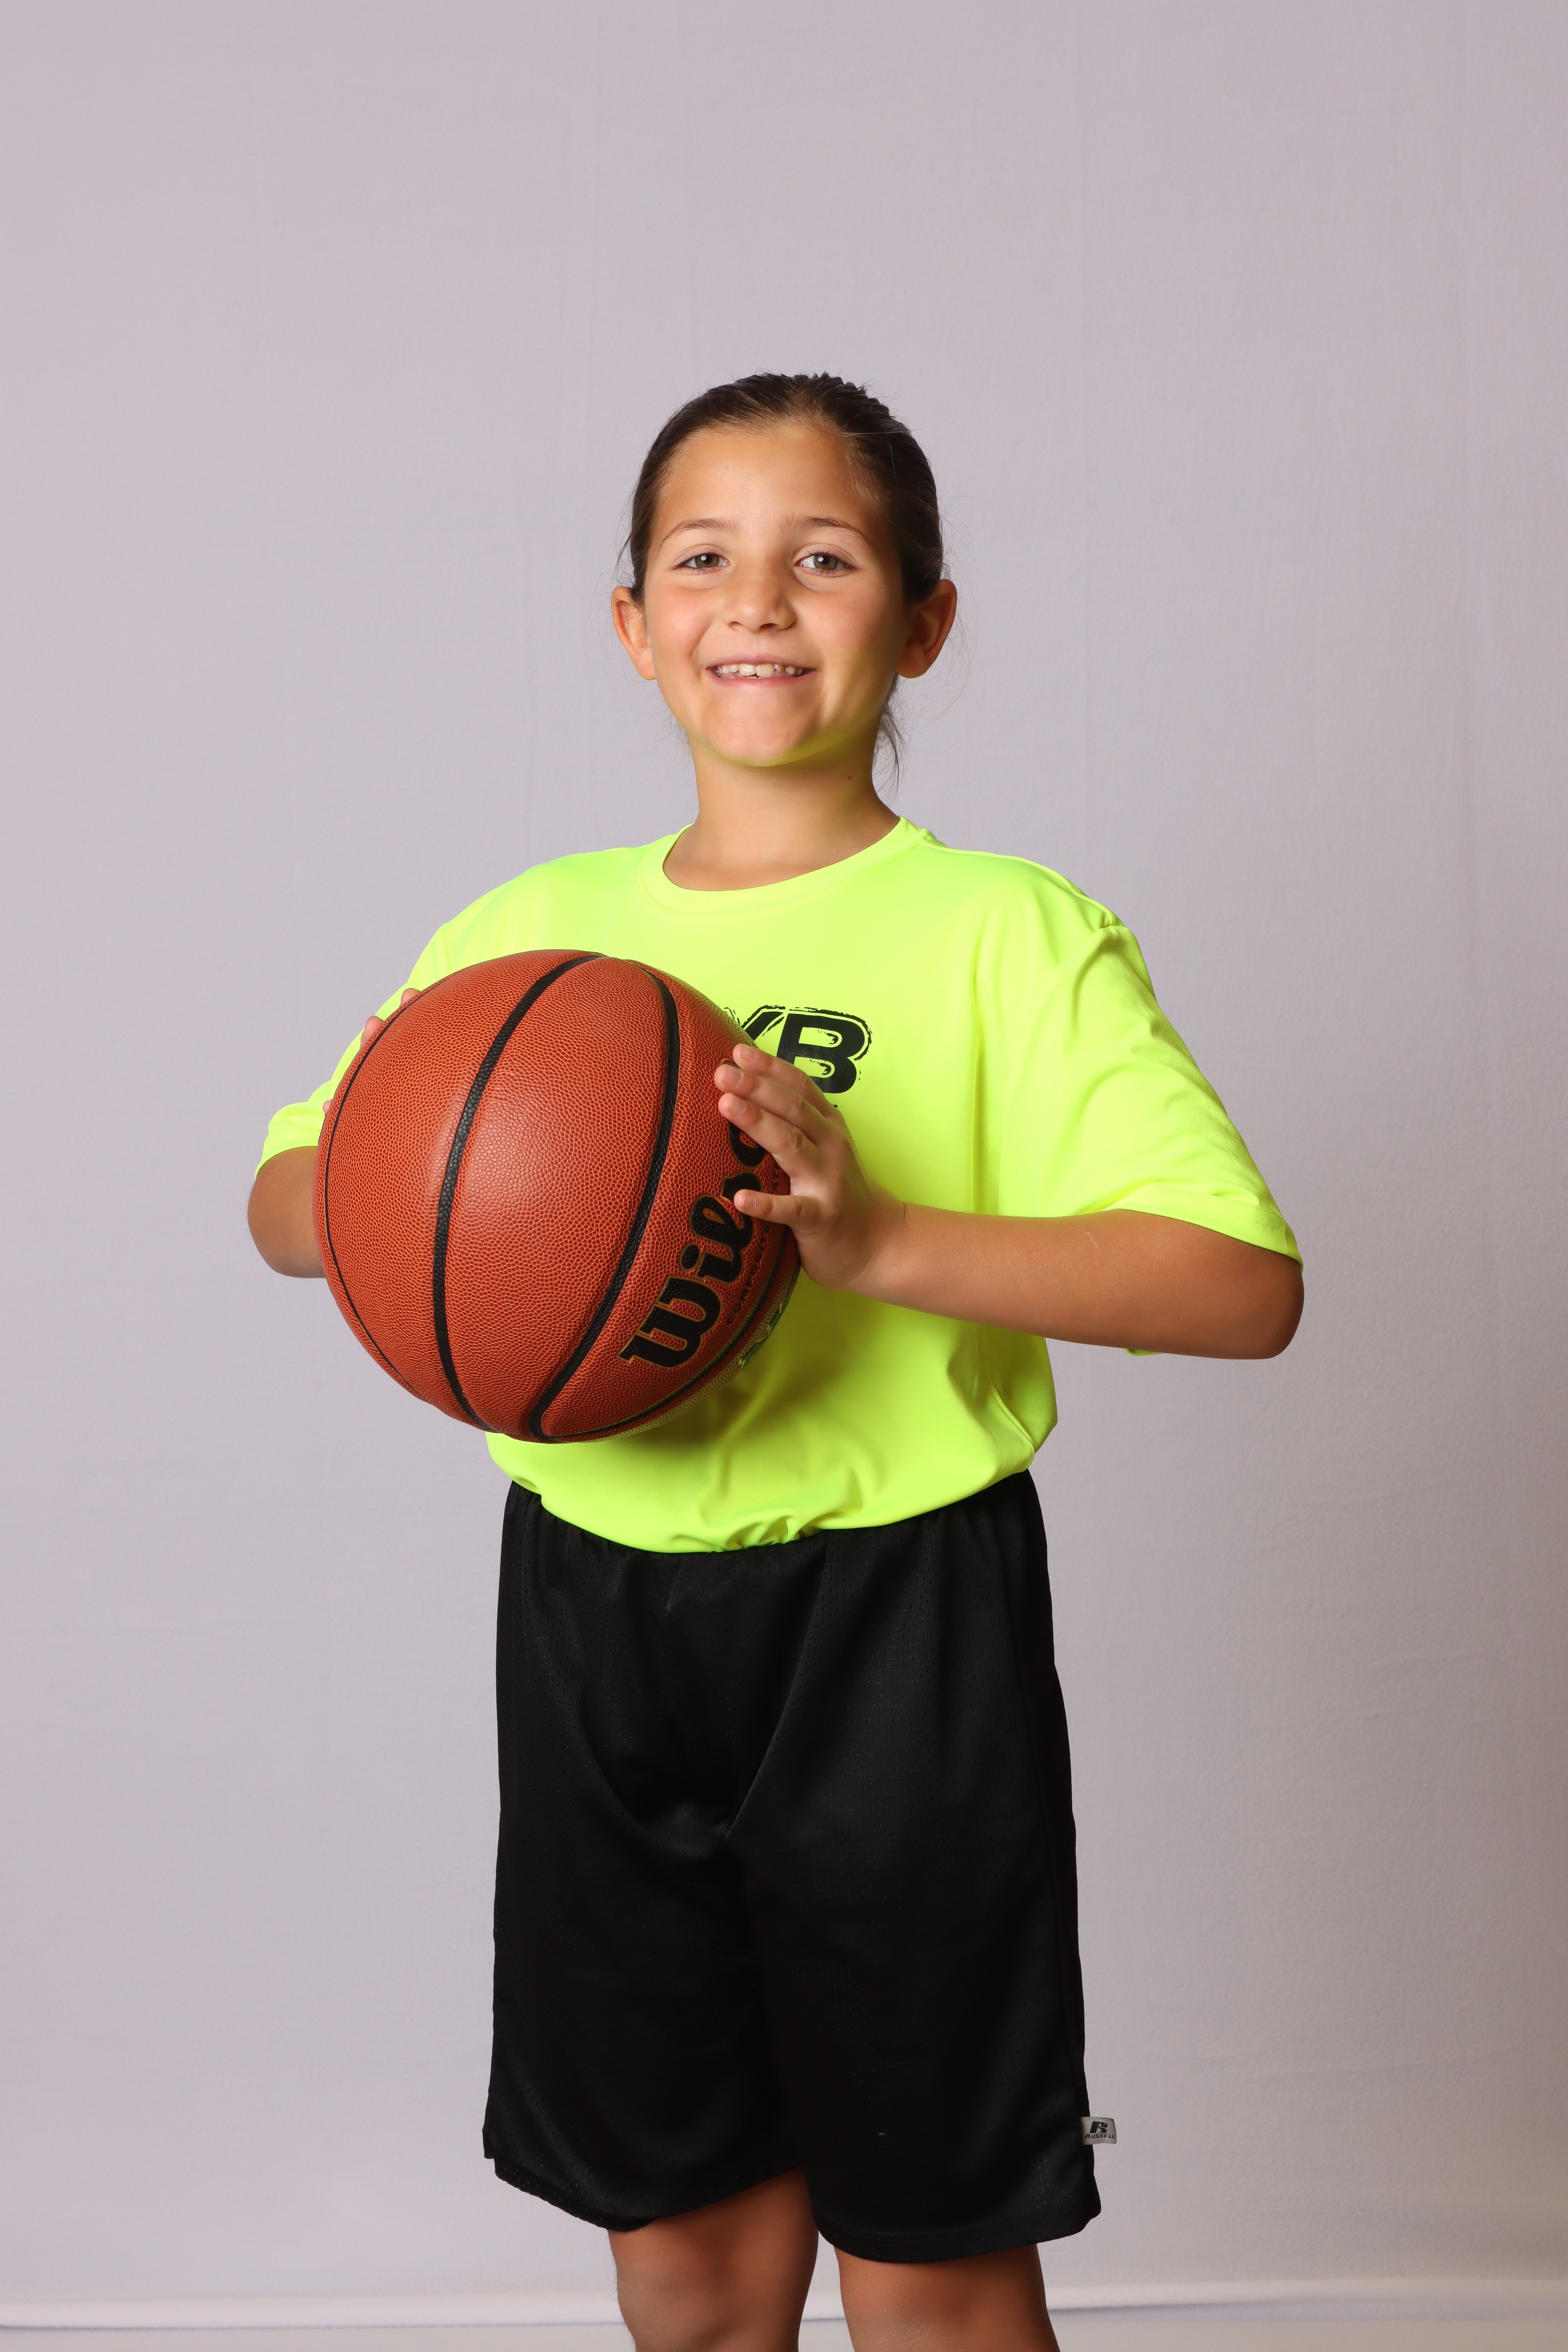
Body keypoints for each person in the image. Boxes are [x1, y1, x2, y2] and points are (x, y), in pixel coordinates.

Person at [248, 374, 1302, 2352]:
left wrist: (881, 1243)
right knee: (686, 2255)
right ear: (631, 622)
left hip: (894, 1620)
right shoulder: (527, 942)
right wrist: (439, 1201)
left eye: (824, 557)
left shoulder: (1005, 935)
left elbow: (1240, 1285)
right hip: (592, 1609)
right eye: (702, 558)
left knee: (930, 2262)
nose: (756, 600)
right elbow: (294, 1201)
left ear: (924, 618)